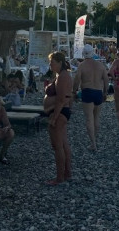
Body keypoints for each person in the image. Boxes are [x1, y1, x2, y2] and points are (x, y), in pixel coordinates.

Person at [43, 51, 73, 185]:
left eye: (52, 62)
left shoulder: (63, 76)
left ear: (60, 63)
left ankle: (60, 177)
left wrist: (54, 118)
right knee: (63, 144)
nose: (50, 65)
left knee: (58, 146)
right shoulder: (61, 75)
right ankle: (67, 173)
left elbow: (61, 99)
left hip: (59, 113)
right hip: (61, 112)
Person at [73, 44, 109, 152]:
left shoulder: (82, 65)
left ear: (83, 54)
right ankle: (95, 139)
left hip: (87, 91)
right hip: (98, 92)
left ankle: (93, 143)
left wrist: (74, 91)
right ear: (93, 53)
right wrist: (105, 92)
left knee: (89, 118)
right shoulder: (100, 65)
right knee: (96, 118)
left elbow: (77, 79)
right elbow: (106, 80)